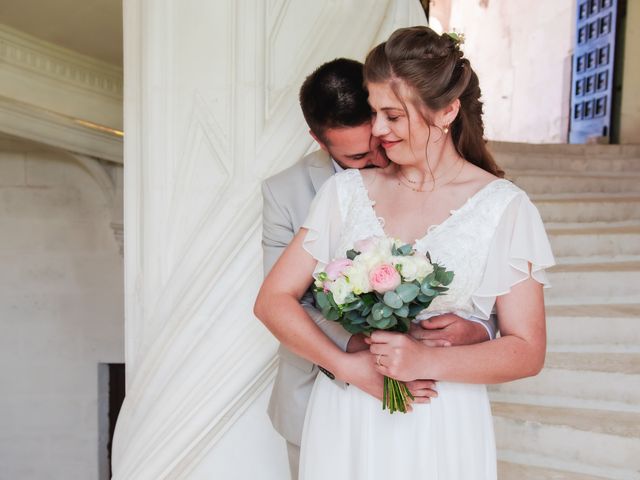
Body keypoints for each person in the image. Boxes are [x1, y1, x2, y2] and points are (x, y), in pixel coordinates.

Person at [259, 49, 510, 479]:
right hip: (325, 392)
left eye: (382, 134)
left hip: (432, 397)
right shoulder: (289, 193)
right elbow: (288, 299)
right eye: (358, 158)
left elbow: (470, 272)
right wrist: (360, 354)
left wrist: (480, 327)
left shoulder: (473, 191)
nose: (379, 159)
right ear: (319, 141)